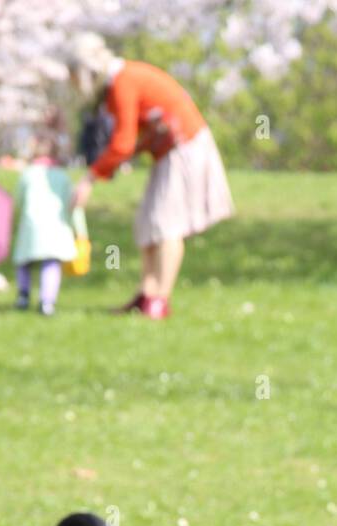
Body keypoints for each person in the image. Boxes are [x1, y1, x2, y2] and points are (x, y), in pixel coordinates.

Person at [69, 36, 234, 319]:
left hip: (183, 147)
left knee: (166, 224)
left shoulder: (123, 81)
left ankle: (160, 299)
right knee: (147, 222)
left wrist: (89, 179)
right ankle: (147, 293)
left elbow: (122, 143)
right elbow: (132, 139)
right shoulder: (119, 82)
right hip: (167, 152)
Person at [12, 133, 79, 317]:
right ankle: (47, 301)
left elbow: (19, 199)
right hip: (55, 225)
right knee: (51, 262)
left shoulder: (28, 174)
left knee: (24, 261)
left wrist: (19, 215)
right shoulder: (62, 176)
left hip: (31, 224)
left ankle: (23, 295)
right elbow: (70, 201)